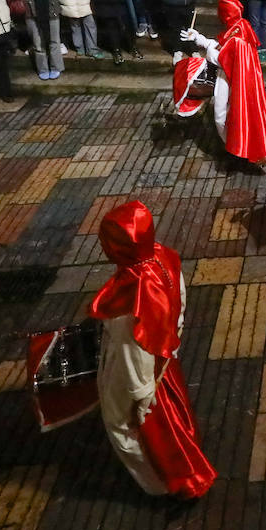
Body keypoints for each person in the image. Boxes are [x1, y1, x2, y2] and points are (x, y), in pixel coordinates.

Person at [88, 200, 216, 498]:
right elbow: (179, 302)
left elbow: (133, 354)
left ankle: (160, 484)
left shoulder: (130, 299)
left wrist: (141, 398)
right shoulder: (163, 257)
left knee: (123, 426)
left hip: (141, 376)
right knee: (173, 412)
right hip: (165, 358)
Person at [180, 0, 266, 168]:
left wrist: (204, 45)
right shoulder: (241, 26)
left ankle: (235, 149)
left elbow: (221, 57)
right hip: (236, 77)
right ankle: (236, 148)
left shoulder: (236, 37)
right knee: (233, 114)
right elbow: (222, 46)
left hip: (229, 78)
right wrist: (200, 39)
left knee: (222, 114)